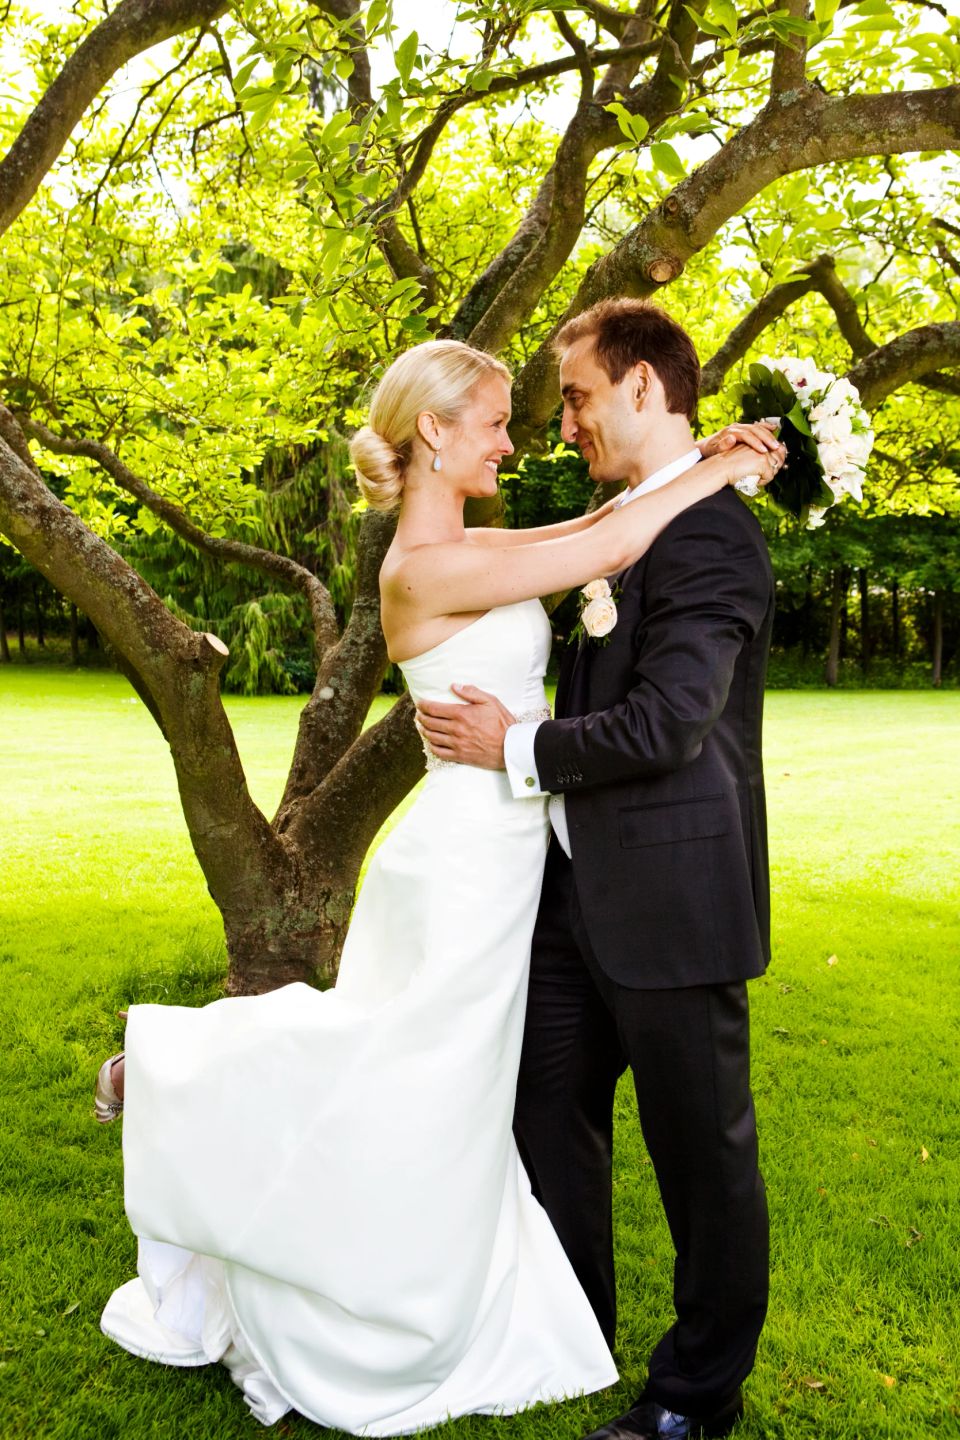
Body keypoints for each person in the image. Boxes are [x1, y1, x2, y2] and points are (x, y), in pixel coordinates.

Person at [94, 336, 782, 1435]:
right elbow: (606, 537)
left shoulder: (475, 541)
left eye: (541, 410)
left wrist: (701, 466)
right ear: (435, 434)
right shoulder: (422, 570)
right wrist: (722, 466)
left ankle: (534, 1311)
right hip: (470, 857)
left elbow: (591, 538)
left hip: (527, 858)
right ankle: (176, 1071)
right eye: (503, 420)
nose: (525, 438)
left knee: (454, 1085)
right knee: (399, 1055)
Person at [416, 302, 777, 1440]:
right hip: (570, 899)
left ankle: (693, 1397)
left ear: (639, 388)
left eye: (573, 395)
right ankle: (569, 1330)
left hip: (672, 902)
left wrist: (514, 747)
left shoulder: (713, 538)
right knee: (544, 1111)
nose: (560, 420)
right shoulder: (625, 520)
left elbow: (670, 722)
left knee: (701, 1160)